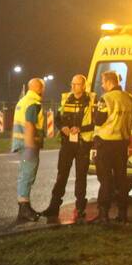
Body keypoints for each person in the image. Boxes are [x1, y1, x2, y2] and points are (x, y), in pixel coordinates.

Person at [38, 74, 96, 224]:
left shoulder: (91, 101)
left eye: (76, 84)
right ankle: (54, 206)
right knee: (61, 174)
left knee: (81, 177)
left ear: (83, 86)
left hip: (83, 143)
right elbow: (58, 118)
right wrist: (62, 127)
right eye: (72, 84)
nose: (73, 87)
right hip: (67, 143)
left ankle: (80, 208)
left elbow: (96, 123)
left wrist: (80, 128)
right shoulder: (66, 99)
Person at [92, 70, 132, 224]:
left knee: (105, 179)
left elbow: (98, 120)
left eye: (103, 82)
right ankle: (123, 213)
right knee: (121, 179)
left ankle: (103, 214)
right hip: (122, 143)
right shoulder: (131, 99)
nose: (102, 85)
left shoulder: (106, 99)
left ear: (109, 82)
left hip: (106, 143)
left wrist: (94, 112)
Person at [10, 77, 46, 224]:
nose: (44, 91)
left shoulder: (23, 101)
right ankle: (24, 209)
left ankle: (25, 207)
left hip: (21, 143)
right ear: (39, 88)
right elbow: (30, 124)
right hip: (28, 145)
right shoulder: (34, 103)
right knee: (27, 175)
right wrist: (31, 145)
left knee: (25, 174)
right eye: (43, 88)